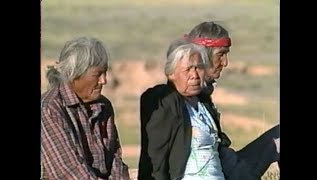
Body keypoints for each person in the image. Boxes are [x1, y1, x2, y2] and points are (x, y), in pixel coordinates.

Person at [138, 21, 279, 180]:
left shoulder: (202, 99)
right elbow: (155, 161)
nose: (225, 63)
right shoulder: (166, 101)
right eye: (221, 54)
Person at [41, 37, 130, 180]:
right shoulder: (49, 110)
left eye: (105, 73)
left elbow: (114, 160)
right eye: (97, 74)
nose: (104, 80)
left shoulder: (103, 106)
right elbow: (68, 172)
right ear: (75, 74)